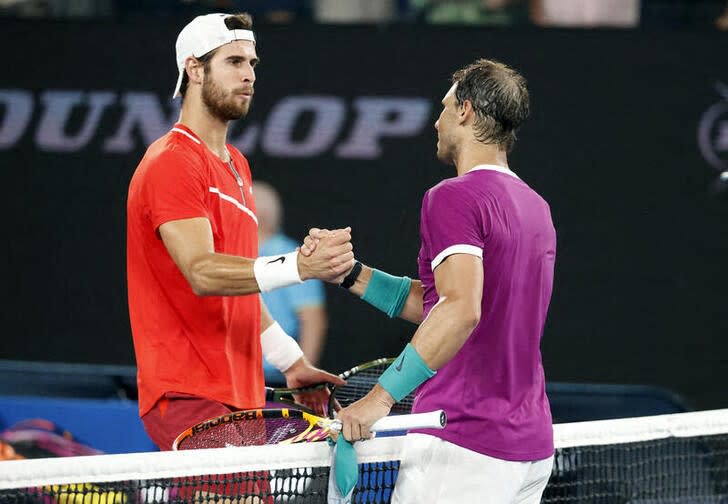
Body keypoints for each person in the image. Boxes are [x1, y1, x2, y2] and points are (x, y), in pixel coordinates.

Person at [307, 59, 556, 502]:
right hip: (528, 447)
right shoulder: (535, 207)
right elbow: (446, 304)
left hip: (463, 445)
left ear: (464, 111)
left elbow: (460, 309)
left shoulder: (453, 196)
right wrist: (351, 275)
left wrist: (381, 398)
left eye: (443, 108)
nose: (436, 121)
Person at [126, 12, 352, 451]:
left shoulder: (236, 166)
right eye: (234, 62)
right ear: (194, 68)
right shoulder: (172, 161)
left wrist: (291, 360)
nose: (249, 75)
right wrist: (299, 267)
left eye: (252, 64)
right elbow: (204, 272)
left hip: (240, 399)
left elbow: (240, 288)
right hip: (188, 394)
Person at [253, 180, 328, 386]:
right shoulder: (228, 253)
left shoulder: (292, 256)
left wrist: (303, 377)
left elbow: (313, 319)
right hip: (232, 376)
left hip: (275, 378)